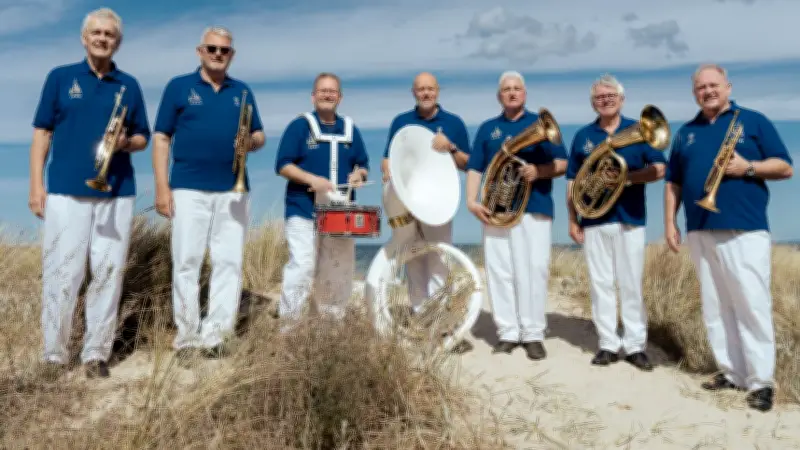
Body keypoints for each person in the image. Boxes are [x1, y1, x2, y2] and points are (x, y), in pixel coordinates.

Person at [29, 8, 150, 378]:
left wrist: (126, 142)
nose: (102, 38)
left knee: (108, 274)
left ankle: (96, 353)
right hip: (66, 190)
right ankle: (54, 354)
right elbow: (42, 135)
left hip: (117, 192)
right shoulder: (60, 78)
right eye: (96, 33)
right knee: (63, 273)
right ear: (84, 38)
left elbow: (143, 136)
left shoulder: (129, 85)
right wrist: (37, 185)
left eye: (109, 34)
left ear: (118, 42)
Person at [664, 63, 793, 412]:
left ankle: (761, 381)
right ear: (694, 93)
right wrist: (670, 223)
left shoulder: (752, 121)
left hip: (744, 227)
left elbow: (785, 166)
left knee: (750, 303)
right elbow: (673, 181)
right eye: (701, 87)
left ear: (728, 87)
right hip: (700, 227)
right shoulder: (686, 131)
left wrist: (747, 168)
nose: (708, 91)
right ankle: (731, 372)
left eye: (714, 85)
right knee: (715, 305)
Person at [152, 26, 266, 360]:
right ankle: (187, 338)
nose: (218, 54)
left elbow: (259, 136)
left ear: (232, 55)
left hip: (233, 189)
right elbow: (161, 138)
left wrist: (250, 142)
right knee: (186, 261)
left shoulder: (242, 92)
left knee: (228, 262)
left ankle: (216, 336)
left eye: (225, 50)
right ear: (200, 51)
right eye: (212, 49)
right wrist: (162, 187)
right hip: (188, 187)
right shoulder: (178, 87)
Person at [565, 74, 666, 371]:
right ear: (592, 102)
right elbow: (573, 180)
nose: (605, 100)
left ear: (621, 99)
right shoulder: (583, 135)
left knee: (630, 284)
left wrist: (625, 179)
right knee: (601, 285)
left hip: (630, 218)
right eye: (599, 97)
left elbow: (659, 169)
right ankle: (608, 343)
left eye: (610, 95)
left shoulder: (640, 130)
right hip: (594, 219)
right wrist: (573, 218)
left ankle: (635, 345)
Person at [465, 71, 568, 360]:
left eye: (517, 89)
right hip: (496, 211)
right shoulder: (487, 129)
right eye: (506, 89)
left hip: (533, 208)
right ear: (499, 96)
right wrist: (471, 202)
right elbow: (475, 168)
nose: (512, 93)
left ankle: (533, 333)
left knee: (534, 270)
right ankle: (508, 332)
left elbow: (562, 163)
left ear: (525, 93)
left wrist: (539, 171)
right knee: (500, 272)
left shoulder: (539, 124)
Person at [381, 72, 473, 352]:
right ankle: (422, 321)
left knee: (439, 259)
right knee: (413, 261)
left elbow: (467, 163)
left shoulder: (454, 123)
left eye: (430, 89)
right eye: (420, 89)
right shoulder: (401, 122)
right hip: (409, 199)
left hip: (438, 201)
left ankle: (441, 326)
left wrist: (452, 147)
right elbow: (388, 159)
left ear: (438, 91)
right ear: (413, 92)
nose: (425, 93)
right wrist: (390, 174)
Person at [275, 72, 369, 327]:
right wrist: (310, 179)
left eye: (333, 91)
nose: (328, 95)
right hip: (303, 208)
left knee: (337, 269)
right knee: (303, 265)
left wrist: (359, 174)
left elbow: (363, 163)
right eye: (323, 91)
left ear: (340, 96)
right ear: (313, 96)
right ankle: (289, 327)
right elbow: (283, 165)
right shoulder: (299, 126)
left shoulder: (351, 128)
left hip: (339, 212)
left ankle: (329, 328)